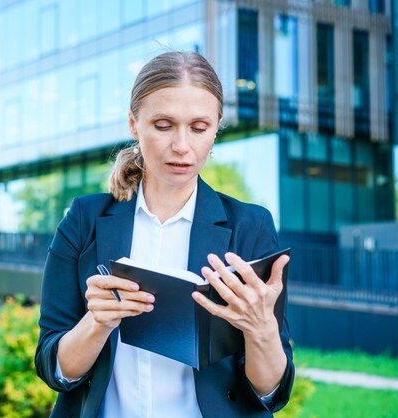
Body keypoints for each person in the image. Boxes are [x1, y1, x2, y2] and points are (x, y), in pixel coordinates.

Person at [35, 51, 294, 417]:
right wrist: (98, 322)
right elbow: (54, 369)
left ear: (216, 128)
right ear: (133, 124)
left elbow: (270, 393)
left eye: (199, 127)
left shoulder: (249, 227)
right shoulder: (85, 219)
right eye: (162, 125)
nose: (182, 146)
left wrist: (261, 329)